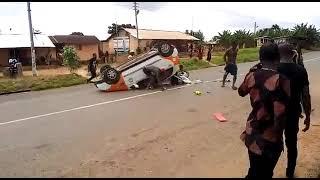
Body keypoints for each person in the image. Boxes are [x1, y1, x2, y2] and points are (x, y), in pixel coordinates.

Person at [238, 42, 291, 178]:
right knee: (264, 173)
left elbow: (241, 91)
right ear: (278, 58)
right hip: (269, 139)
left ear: (260, 58)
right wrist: (278, 140)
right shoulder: (282, 80)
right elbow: (279, 115)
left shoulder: (252, 76)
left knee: (255, 170)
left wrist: (253, 69)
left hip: (252, 134)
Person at [277, 43, 311, 178]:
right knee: (292, 144)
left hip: (275, 115)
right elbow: (305, 95)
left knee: (272, 142)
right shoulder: (301, 70)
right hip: (292, 113)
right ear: (292, 54)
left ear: (278, 55)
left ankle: (268, 170)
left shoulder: (273, 69)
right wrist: (307, 116)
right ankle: (290, 172)